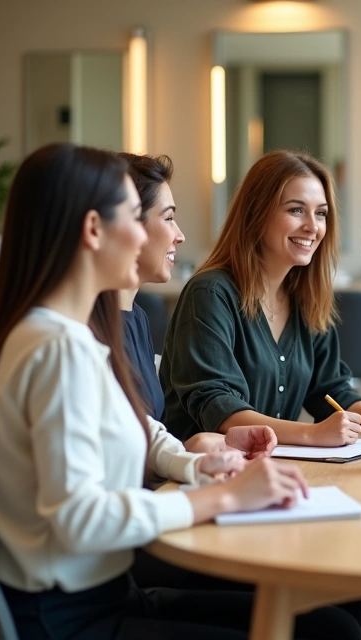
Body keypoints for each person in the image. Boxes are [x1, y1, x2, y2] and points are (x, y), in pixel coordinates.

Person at [0, 142, 361, 639]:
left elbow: (134, 424)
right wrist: (222, 499)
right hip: (70, 619)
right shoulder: (56, 350)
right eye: (138, 216)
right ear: (93, 230)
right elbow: (81, 520)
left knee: (333, 621)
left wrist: (197, 464)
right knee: (332, 631)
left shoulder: (61, 337)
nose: (163, 234)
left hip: (102, 595)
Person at [160, 150, 361, 446]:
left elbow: (331, 391)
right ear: (257, 212)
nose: (313, 226)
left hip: (272, 467)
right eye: (296, 210)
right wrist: (312, 433)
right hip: (202, 471)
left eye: (321, 213)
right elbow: (219, 409)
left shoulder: (307, 298)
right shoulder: (210, 294)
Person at [116, 152, 276, 460]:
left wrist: (191, 449)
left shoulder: (137, 318)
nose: (179, 236)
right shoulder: (85, 335)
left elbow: (142, 442)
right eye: (168, 218)